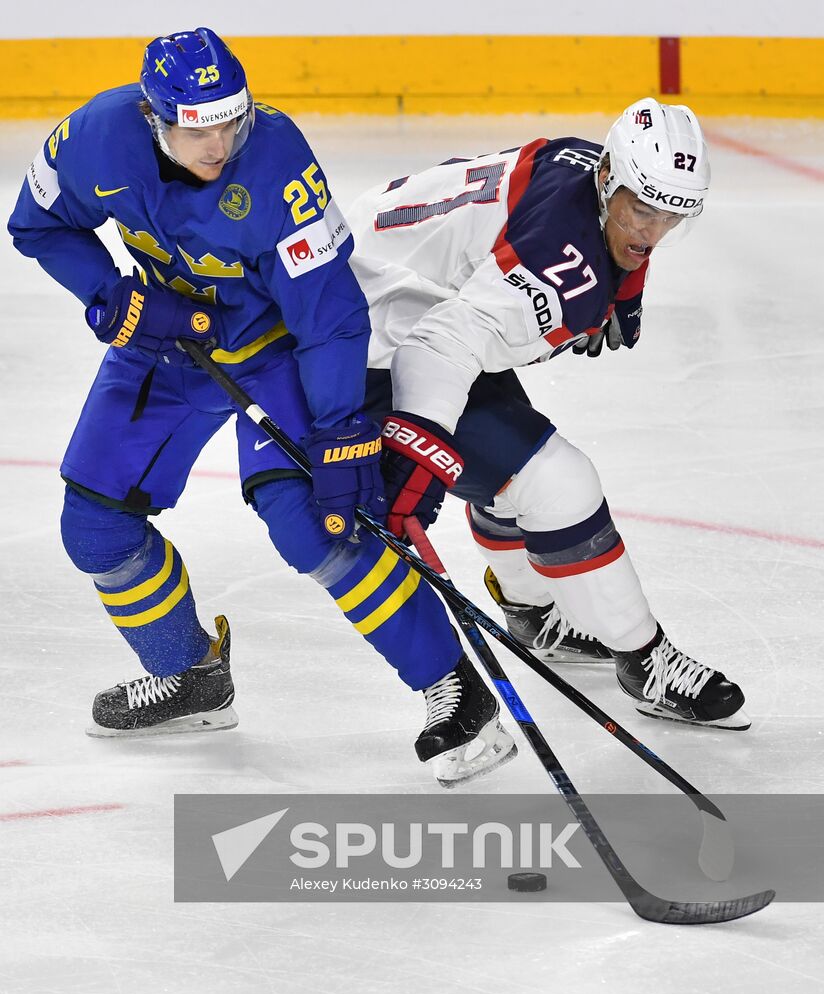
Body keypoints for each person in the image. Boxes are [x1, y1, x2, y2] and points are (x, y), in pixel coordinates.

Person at [7, 27, 518, 784]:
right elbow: (37, 224)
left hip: (276, 349)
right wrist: (111, 295)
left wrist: (343, 428)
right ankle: (190, 678)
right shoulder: (93, 136)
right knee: (93, 522)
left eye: (230, 120)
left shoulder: (277, 162)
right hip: (166, 347)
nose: (218, 142)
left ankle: (456, 690)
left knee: (317, 525)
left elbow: (331, 313)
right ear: (153, 117)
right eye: (196, 126)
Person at [348, 98, 750, 730]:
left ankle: (533, 612)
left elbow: (509, 243)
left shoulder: (580, 162)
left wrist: (622, 279)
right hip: (365, 339)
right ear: (612, 179)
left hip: (375, 289)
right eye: (642, 208)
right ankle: (646, 661)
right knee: (559, 484)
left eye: (670, 215)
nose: (651, 232)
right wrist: (415, 447)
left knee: (511, 470)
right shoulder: (560, 259)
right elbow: (443, 345)